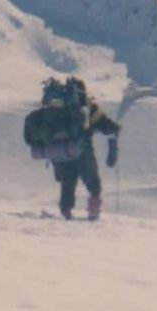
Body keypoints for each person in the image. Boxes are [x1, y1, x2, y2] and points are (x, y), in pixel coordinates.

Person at [49, 77, 121, 220]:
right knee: (93, 184)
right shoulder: (88, 107)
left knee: (67, 184)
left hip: (63, 153)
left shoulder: (58, 106)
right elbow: (110, 128)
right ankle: (93, 214)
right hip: (83, 153)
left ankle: (65, 213)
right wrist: (112, 150)